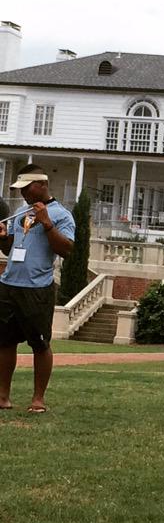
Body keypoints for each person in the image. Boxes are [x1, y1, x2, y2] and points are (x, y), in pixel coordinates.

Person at [0, 165, 76, 413]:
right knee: (4, 342)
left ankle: (38, 399)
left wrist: (47, 225)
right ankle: (3, 397)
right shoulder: (21, 212)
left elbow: (66, 250)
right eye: (19, 189)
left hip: (37, 288)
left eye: (26, 188)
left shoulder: (61, 215)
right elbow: (10, 250)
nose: (23, 194)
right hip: (9, 285)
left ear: (42, 185)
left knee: (40, 344)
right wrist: (2, 237)